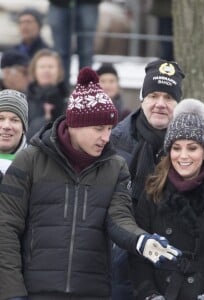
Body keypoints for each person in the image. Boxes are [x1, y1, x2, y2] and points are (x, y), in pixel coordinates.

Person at [0, 67, 181, 300]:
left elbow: (119, 218)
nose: (106, 137)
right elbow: (6, 227)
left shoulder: (115, 167)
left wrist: (141, 240)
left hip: (91, 290)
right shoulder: (31, 160)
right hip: (35, 290)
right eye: (99, 129)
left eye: (109, 129)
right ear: (75, 125)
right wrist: (12, 291)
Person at [129, 99, 204, 300]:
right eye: (176, 148)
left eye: (192, 148)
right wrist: (149, 294)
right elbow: (138, 256)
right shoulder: (152, 193)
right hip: (164, 292)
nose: (183, 156)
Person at [110, 59, 185, 300]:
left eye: (168, 98)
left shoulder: (197, 148)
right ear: (142, 98)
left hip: (176, 269)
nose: (160, 104)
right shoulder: (116, 142)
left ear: (178, 104)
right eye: (154, 96)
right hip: (121, 269)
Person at [48, 0, 102, 85]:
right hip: (58, 3)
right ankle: (61, 91)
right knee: (60, 53)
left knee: (86, 52)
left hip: (89, 3)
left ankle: (85, 91)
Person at [26, 49, 69, 139]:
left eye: (51, 67)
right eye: (42, 67)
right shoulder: (24, 99)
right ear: (34, 71)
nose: (46, 70)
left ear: (59, 71)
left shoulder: (69, 100)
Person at [0, 89, 28, 179]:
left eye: (14, 120)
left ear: (24, 128)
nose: (6, 126)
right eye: (0, 118)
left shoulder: (36, 164)